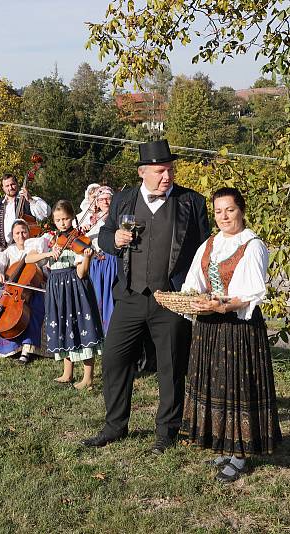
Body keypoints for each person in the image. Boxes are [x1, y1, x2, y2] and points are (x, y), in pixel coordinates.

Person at [82, 139, 210, 453]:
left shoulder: (191, 202)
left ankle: (167, 432)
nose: (167, 176)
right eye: (160, 171)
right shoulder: (124, 200)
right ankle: (115, 426)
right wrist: (116, 239)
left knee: (171, 365)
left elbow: (206, 249)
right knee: (114, 358)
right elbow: (105, 237)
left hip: (172, 299)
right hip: (130, 295)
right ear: (143, 172)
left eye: (169, 170)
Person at [181, 187, 281, 483]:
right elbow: (194, 282)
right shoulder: (210, 244)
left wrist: (222, 305)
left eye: (230, 210)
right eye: (218, 211)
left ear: (241, 210)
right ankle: (225, 444)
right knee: (216, 385)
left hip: (238, 328)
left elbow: (250, 294)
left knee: (237, 387)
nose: (224, 216)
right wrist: (196, 299)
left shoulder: (252, 245)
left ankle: (240, 453)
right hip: (209, 327)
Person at [26, 200, 104, 389]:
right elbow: (29, 258)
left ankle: (88, 377)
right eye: (58, 219)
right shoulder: (50, 239)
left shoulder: (80, 239)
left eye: (66, 219)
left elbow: (81, 273)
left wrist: (86, 256)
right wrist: (47, 254)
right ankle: (67, 373)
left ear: (72, 218)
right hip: (56, 287)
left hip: (75, 286)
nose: (62, 223)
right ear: (54, 220)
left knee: (81, 327)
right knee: (62, 325)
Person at [0, 220, 48, 364]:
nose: (21, 236)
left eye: (24, 232)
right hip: (11, 292)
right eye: (17, 233)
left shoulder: (37, 246)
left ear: (29, 232)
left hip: (34, 290)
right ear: (13, 236)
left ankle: (27, 349)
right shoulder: (10, 251)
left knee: (34, 310)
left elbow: (44, 267)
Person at [0, 173, 50, 249]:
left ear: (17, 184)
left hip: (29, 247)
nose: (10, 188)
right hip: (8, 250)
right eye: (7, 186)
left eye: (12, 184)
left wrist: (30, 200)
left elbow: (45, 214)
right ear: (3, 188)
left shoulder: (30, 200)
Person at [83, 186, 116, 334]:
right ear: (96, 201)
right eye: (102, 199)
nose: (105, 202)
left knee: (110, 295)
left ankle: (111, 330)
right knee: (96, 296)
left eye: (108, 198)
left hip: (111, 260)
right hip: (95, 262)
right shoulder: (90, 219)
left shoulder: (116, 216)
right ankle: (97, 332)